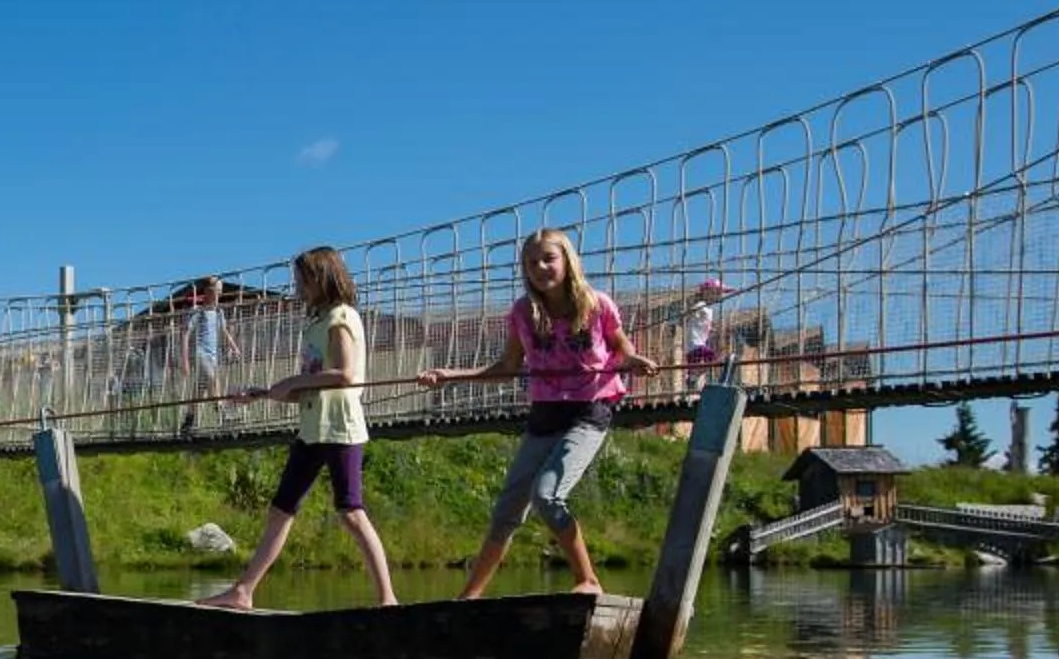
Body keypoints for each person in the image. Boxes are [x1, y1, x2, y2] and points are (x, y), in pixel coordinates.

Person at [418, 228, 656, 598]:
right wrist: (451, 376)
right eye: (532, 262)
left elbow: (622, 350)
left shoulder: (597, 305)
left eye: (549, 258)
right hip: (545, 415)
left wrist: (635, 360)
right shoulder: (523, 313)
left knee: (548, 495)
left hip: (589, 411)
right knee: (507, 509)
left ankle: (588, 580)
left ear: (567, 261)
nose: (540, 267)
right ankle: (469, 596)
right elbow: (508, 366)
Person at [198, 245, 399, 610]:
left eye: (302, 281)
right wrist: (263, 393)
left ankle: (387, 599)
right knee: (281, 509)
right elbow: (310, 385)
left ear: (323, 278)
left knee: (351, 512)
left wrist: (290, 382)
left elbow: (344, 375)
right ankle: (243, 592)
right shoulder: (316, 323)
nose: (298, 288)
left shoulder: (341, 317)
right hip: (312, 429)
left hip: (339, 429)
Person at [178, 276, 240, 435]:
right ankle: (223, 413)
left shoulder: (219, 312)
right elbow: (185, 333)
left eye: (220, 290)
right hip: (200, 353)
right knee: (213, 379)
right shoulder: (198, 311)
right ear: (207, 291)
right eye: (217, 290)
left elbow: (224, 331)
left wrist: (234, 347)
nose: (219, 293)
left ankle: (188, 421)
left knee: (200, 391)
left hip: (213, 355)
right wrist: (184, 360)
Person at [683, 277, 726, 367]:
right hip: (695, 343)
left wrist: (710, 329)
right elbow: (691, 311)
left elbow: (703, 322)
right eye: (717, 293)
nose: (720, 296)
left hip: (699, 343)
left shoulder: (709, 309)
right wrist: (688, 313)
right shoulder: (702, 305)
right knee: (712, 356)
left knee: (696, 367)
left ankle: (694, 378)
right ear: (708, 293)